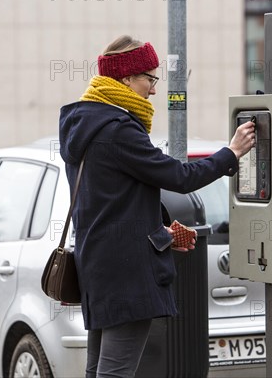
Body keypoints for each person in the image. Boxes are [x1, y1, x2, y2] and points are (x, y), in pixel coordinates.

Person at [59, 35, 255, 378]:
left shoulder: (85, 125)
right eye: (149, 78)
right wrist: (232, 152)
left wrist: (154, 228)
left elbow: (106, 201)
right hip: (127, 272)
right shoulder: (118, 130)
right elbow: (180, 176)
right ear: (124, 80)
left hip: (97, 263)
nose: (153, 89)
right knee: (114, 373)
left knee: (97, 370)